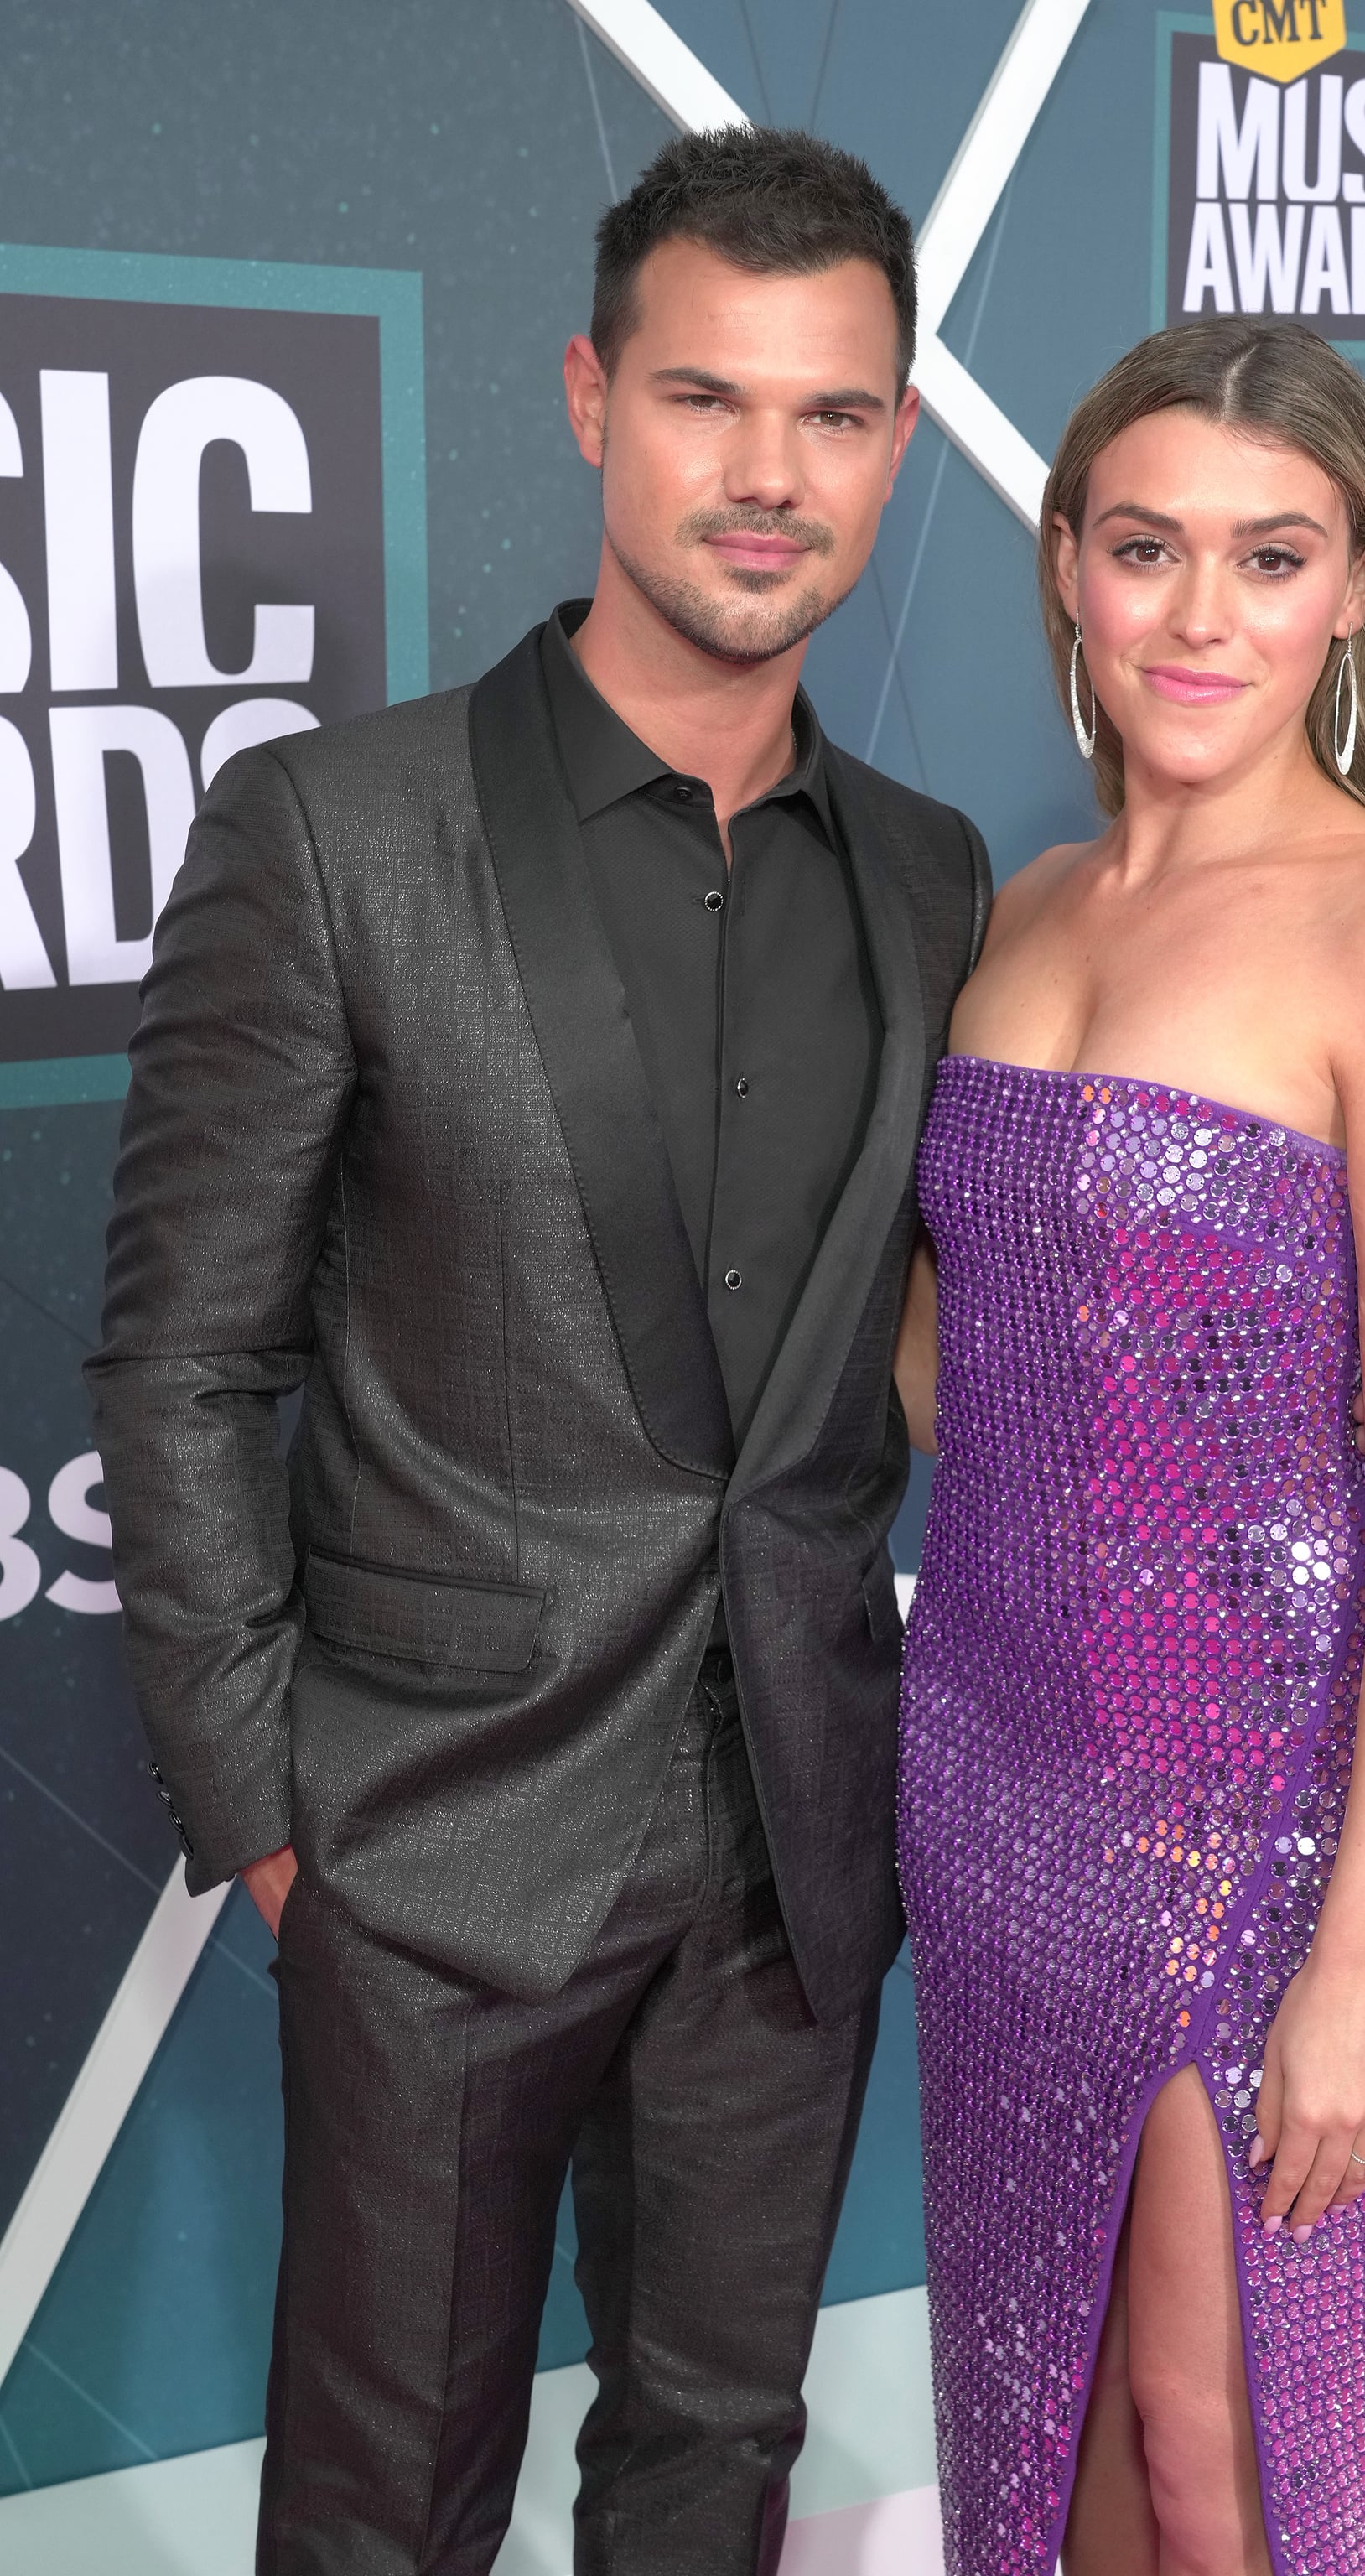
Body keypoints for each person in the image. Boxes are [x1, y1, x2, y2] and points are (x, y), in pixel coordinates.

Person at [88, 127, 988, 2576]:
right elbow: (180, 1363)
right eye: (709, 398)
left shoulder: (929, 875)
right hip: (428, 1840)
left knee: (714, 2460)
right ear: (590, 399)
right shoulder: (335, 834)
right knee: (385, 2511)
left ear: (898, 441)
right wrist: (280, 1821)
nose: (769, 474)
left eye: (831, 413)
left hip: (796, 1845)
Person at [893, 317, 1365, 2576]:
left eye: (1270, 559)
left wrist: (1359, 1954)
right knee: (1042, 2409)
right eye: (1148, 548)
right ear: (1068, 561)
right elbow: (966, 1371)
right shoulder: (1025, 911)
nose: (1200, 616)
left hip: (1250, 1825)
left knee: (1206, 2435)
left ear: (1358, 583)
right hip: (985, 1778)